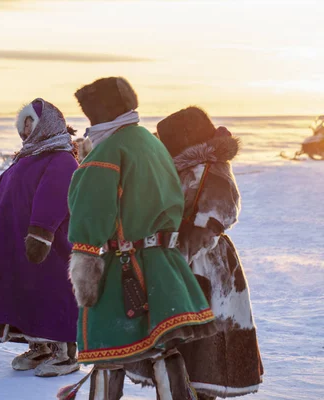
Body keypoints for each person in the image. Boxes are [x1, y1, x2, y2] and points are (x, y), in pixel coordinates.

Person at [63, 77, 217, 399]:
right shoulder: (149, 142)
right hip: (163, 263)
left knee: (107, 351)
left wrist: (86, 271)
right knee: (162, 348)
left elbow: (91, 215)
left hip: (124, 268)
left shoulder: (108, 151)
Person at [131, 106, 262, 399]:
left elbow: (217, 216)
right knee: (181, 343)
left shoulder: (210, 170)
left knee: (204, 343)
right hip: (180, 261)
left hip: (205, 267)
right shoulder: (183, 169)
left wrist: (176, 256)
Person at [0, 99, 80, 377]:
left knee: (53, 294)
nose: (26, 129)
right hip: (17, 247)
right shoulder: (23, 160)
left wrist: (41, 234)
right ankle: (39, 346)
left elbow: (53, 197)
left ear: (47, 125)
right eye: (23, 124)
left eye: (31, 123)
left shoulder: (61, 159)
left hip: (48, 246)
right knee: (26, 295)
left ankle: (65, 354)